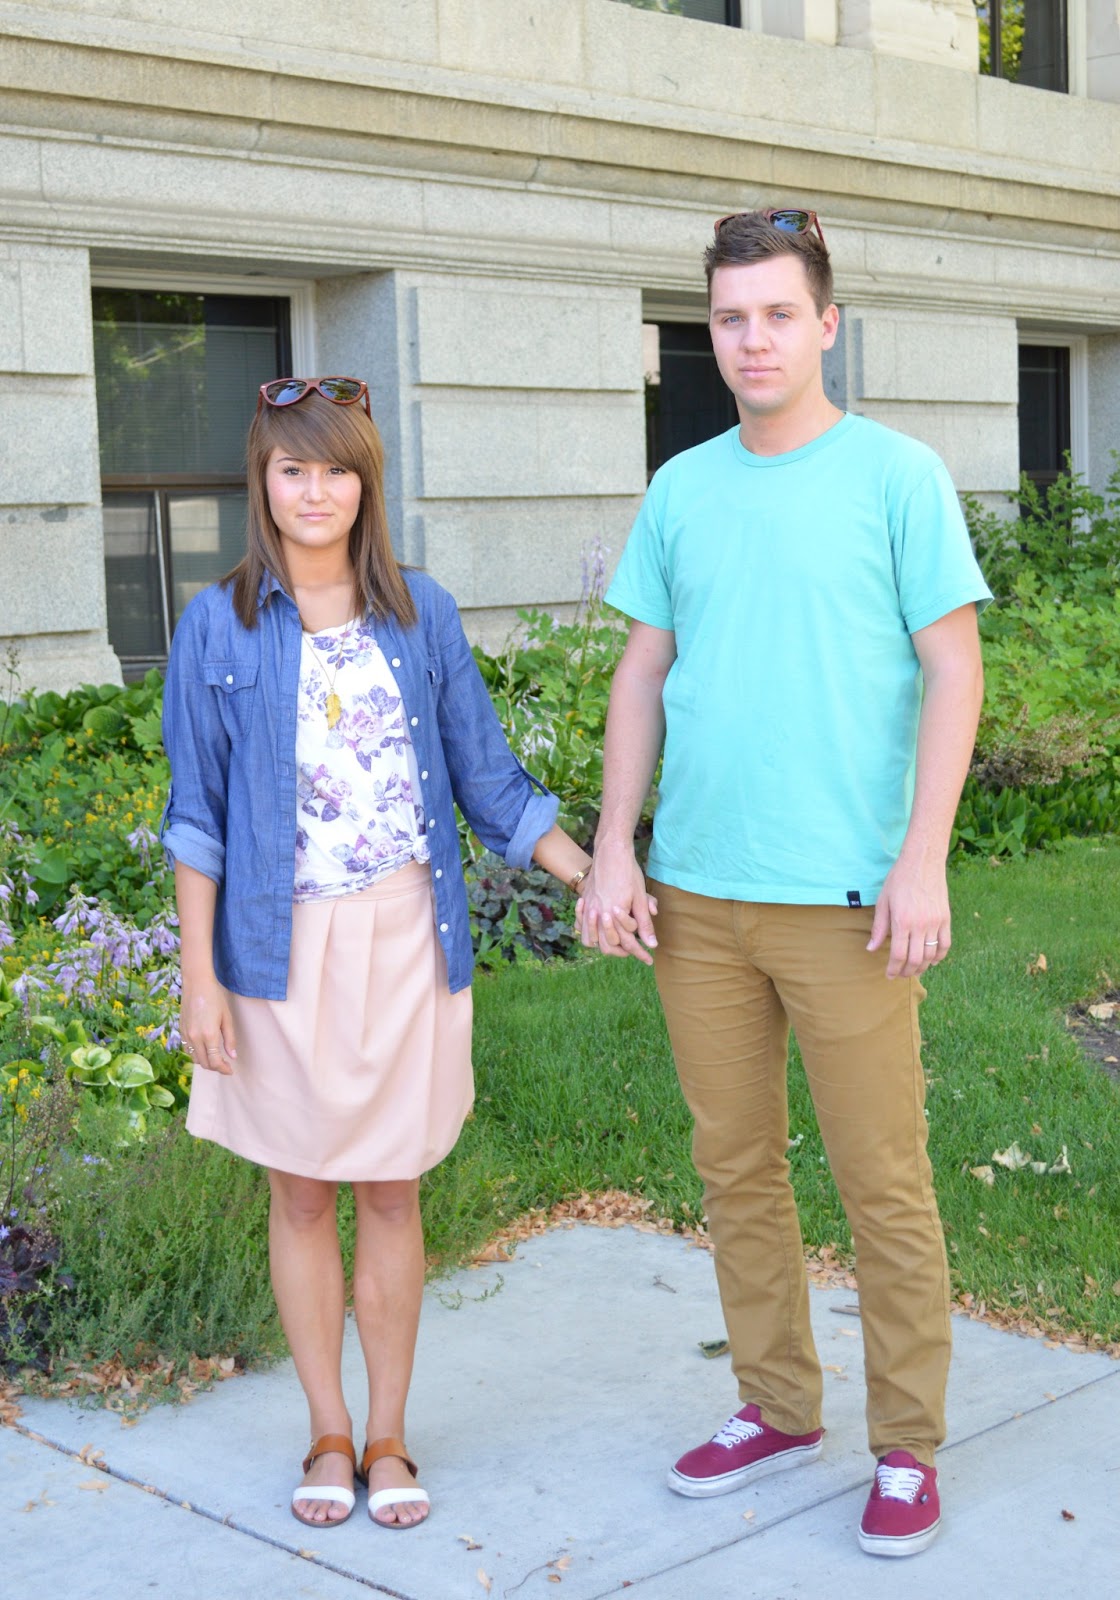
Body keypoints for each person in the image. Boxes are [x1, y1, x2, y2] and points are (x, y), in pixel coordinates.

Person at [577, 210, 991, 1558]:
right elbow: (643, 671)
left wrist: (922, 856)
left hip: (849, 901)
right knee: (735, 1167)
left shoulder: (896, 475)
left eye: (775, 314)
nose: (751, 339)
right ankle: (776, 1404)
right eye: (729, 317)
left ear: (825, 324)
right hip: (697, 898)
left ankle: (907, 1445)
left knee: (882, 1179)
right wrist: (615, 843)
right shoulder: (682, 488)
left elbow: (954, 667)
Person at [161, 376, 594, 1532]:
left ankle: (391, 1435)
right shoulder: (216, 624)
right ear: (262, 480)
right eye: (293, 468)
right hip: (274, 948)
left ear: (367, 483)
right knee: (301, 1193)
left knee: (392, 1190)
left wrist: (589, 872)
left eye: (337, 469)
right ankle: (327, 1430)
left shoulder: (420, 613)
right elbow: (196, 816)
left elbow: (488, 778)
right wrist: (200, 977)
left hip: (404, 937)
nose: (316, 491)